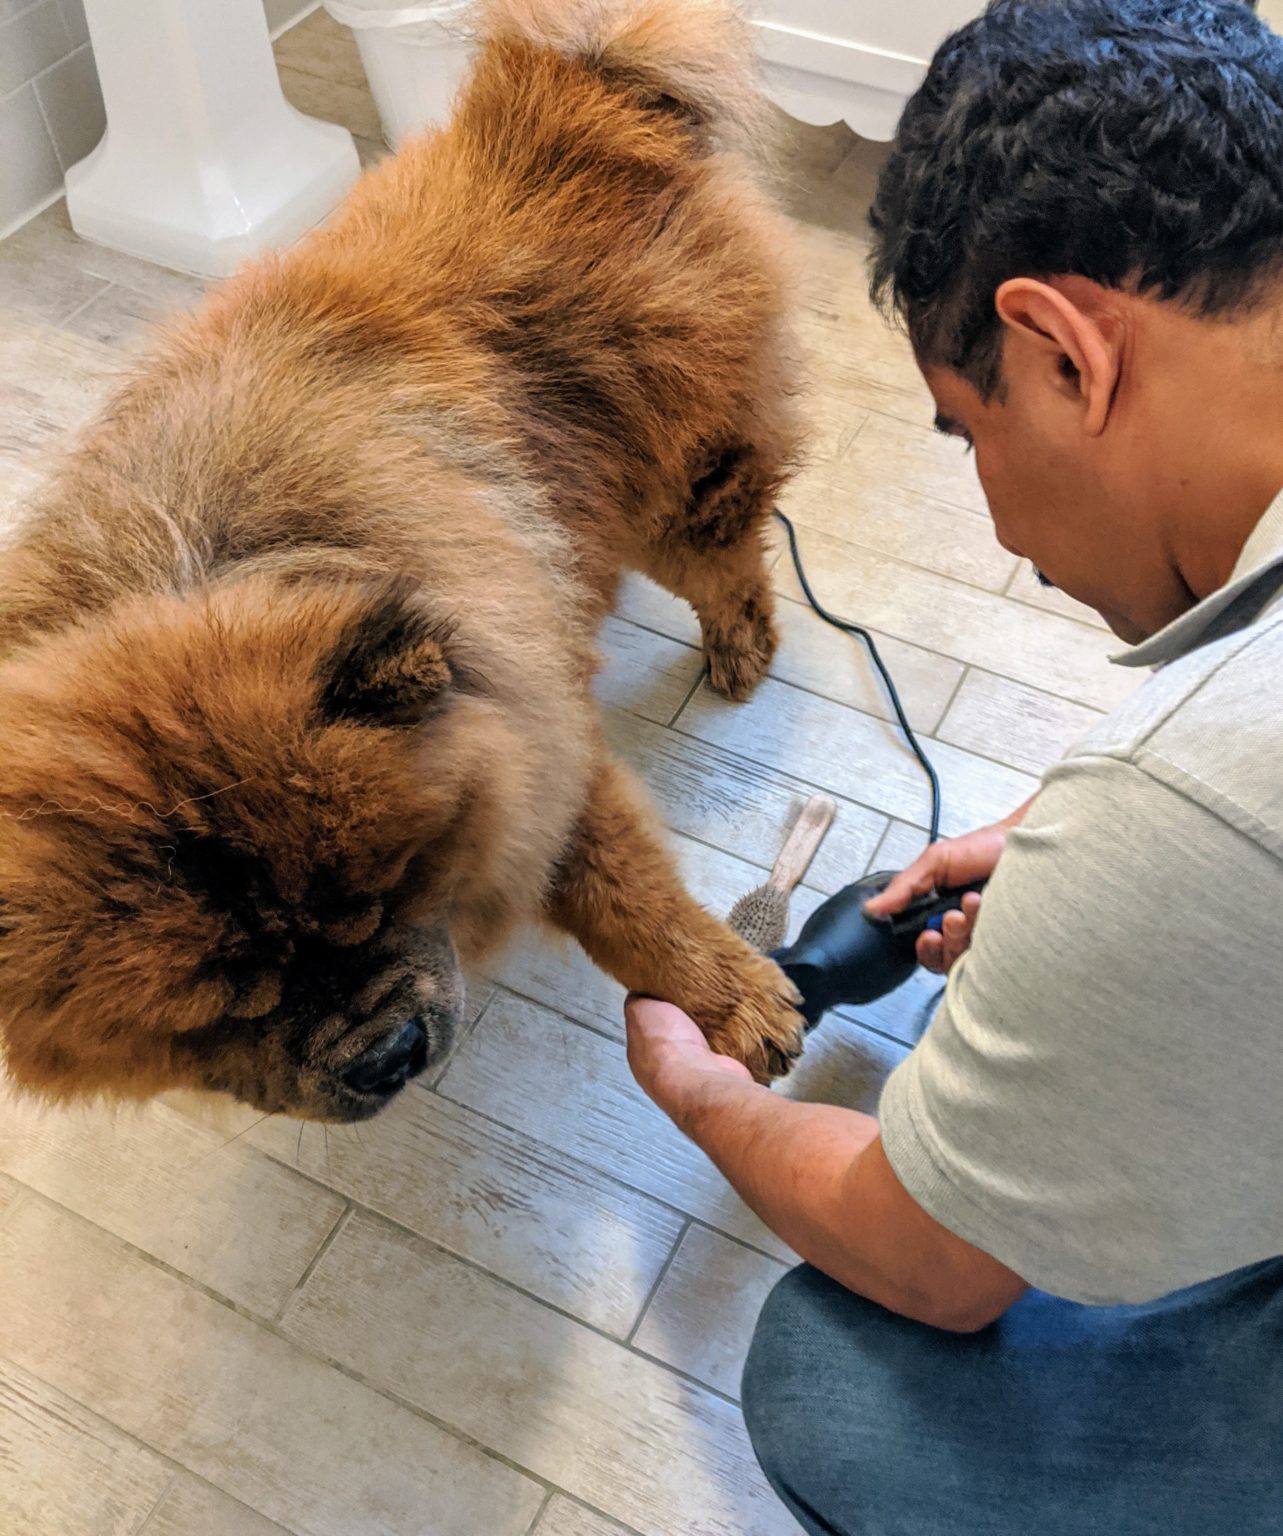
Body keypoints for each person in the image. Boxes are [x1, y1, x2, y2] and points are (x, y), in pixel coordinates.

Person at [623, 1, 1283, 1530]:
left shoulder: (1188, 808)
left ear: (1062, 349)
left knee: (840, 1385)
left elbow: (935, 1265)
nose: (1005, 534)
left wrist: (696, 1087)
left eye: (965, 430)